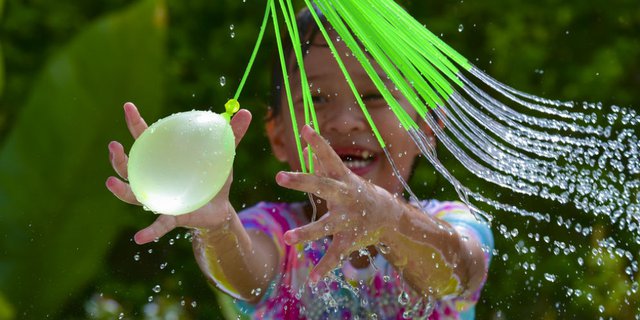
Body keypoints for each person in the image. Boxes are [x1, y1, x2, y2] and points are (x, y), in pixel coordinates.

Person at [106, 8, 493, 320]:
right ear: (276, 136)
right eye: (317, 99)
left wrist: (390, 220)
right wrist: (220, 229)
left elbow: (458, 271)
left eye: (374, 96)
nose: (343, 121)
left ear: (426, 128)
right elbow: (246, 279)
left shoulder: (449, 223)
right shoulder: (276, 235)